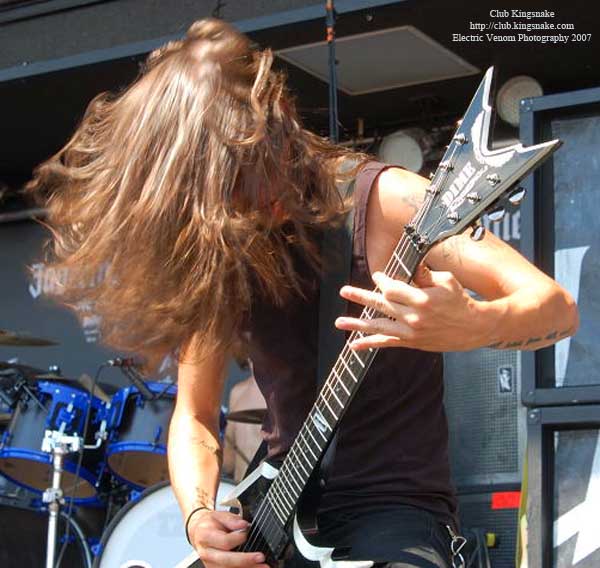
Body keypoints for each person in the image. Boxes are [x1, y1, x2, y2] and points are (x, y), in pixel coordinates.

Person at [26, 19, 578, 568]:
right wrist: (198, 515)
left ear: (276, 127)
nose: (246, 201)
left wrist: (473, 325)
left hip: (397, 514)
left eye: (247, 175)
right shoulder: (220, 247)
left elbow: (556, 307)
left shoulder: (387, 201)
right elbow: (194, 416)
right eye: (226, 195)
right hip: (275, 519)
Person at [222, 363, 266, 483]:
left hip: (269, 492)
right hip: (238, 492)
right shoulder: (237, 392)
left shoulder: (283, 394)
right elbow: (229, 461)